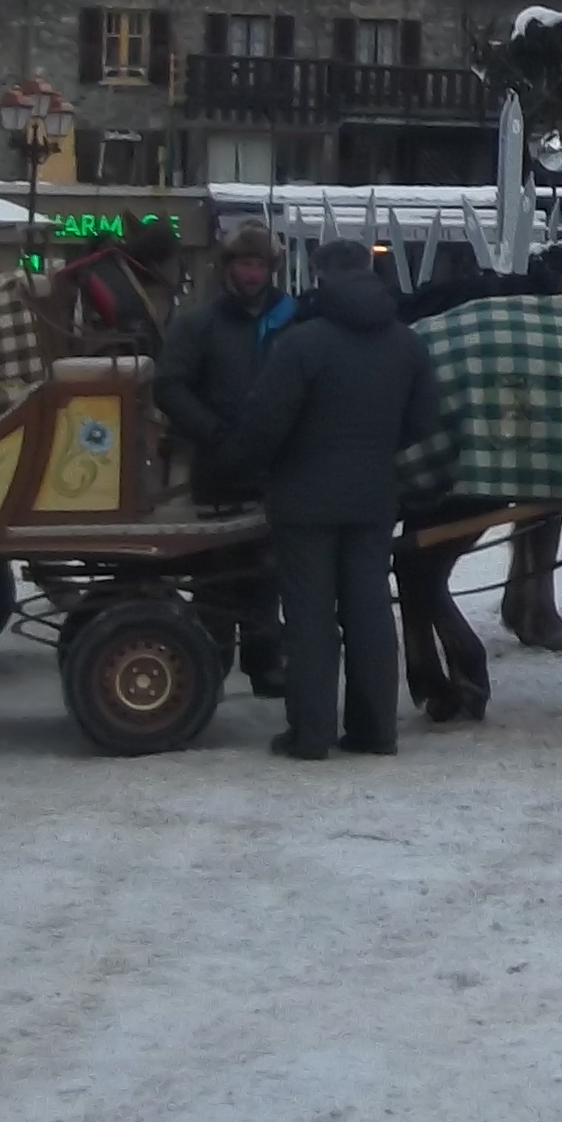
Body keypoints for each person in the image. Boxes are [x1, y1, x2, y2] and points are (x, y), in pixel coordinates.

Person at [223, 245, 435, 761]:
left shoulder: (302, 345)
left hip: (303, 501)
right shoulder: (407, 345)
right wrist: (375, 451)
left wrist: (243, 469)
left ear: (324, 283)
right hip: (372, 498)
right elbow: (424, 423)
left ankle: (311, 733)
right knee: (369, 611)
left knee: (310, 617)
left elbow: (264, 424)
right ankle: (375, 729)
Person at [160, 222, 294, 692]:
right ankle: (209, 662)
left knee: (266, 574)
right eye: (244, 264)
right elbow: (170, 386)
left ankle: (264, 662)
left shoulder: (291, 319)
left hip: (273, 469)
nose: (251, 274)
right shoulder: (199, 324)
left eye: (259, 265)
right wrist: (212, 432)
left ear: (271, 269)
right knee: (215, 575)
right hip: (217, 468)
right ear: (228, 267)